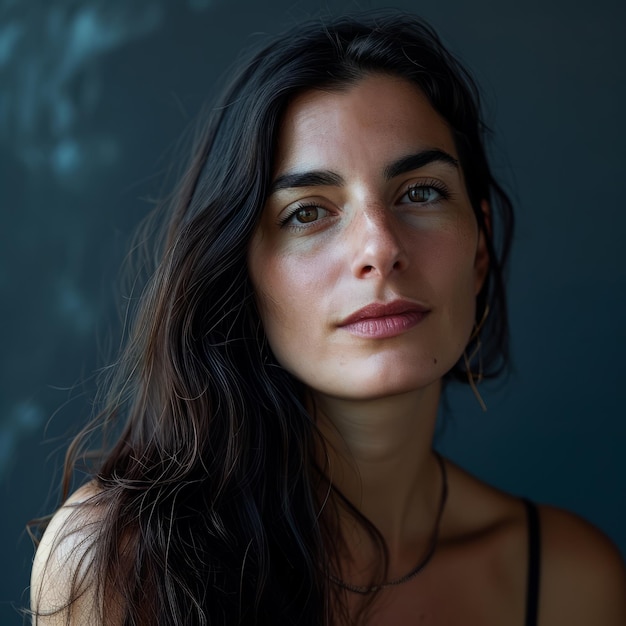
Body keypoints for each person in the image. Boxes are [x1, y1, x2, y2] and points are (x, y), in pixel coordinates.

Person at [29, 10, 626, 626]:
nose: (379, 248)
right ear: (243, 272)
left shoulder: (566, 582)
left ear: (479, 249)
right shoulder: (121, 561)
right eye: (308, 212)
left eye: (421, 192)